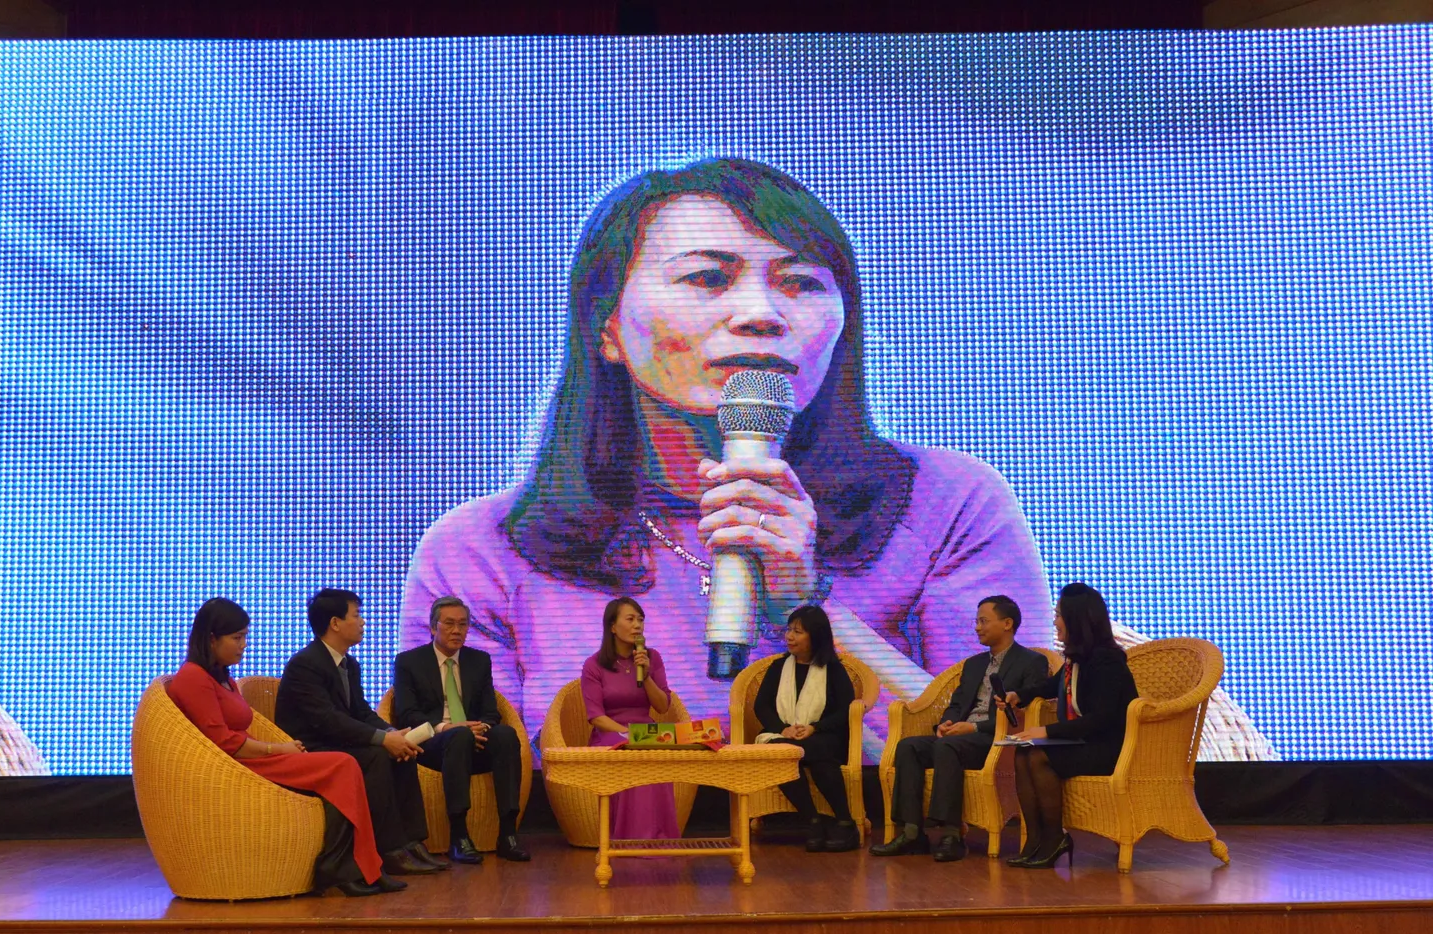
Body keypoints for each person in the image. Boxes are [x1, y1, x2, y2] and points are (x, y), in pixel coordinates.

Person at [401, 158, 1055, 758]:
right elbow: (481, 767)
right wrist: (694, 742)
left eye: (800, 282)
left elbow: (1000, 747)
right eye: (707, 277)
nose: (761, 313)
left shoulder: (950, 503)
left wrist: (805, 606)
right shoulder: (477, 550)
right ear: (607, 328)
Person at [165, 597, 405, 897]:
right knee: (343, 764)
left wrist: (278, 746)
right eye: (236, 638)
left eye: (245, 637)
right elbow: (225, 743)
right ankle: (347, 867)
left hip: (250, 756)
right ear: (211, 639)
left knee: (345, 767)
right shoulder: (193, 677)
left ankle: (361, 866)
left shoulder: (223, 676)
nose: (243, 645)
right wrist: (277, 750)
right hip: (237, 765)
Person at [274, 588, 446, 876]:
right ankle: (388, 849)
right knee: (376, 756)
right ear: (335, 623)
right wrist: (382, 740)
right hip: (311, 747)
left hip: (339, 741)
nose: (363, 621)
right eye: (356, 615)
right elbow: (327, 721)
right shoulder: (306, 663)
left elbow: (362, 711)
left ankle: (412, 841)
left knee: (402, 752)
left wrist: (392, 733)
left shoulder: (349, 663)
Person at [870, 595, 1050, 862]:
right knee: (909, 746)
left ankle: (951, 835)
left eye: (983, 621)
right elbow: (957, 703)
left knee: (948, 746)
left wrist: (973, 728)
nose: (977, 627)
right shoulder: (974, 663)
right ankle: (911, 832)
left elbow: (1023, 713)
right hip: (960, 737)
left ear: (1007, 623)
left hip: (997, 739)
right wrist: (947, 722)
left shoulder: (1032, 662)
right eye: (976, 621)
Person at [1000, 582, 1138, 869]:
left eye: (1059, 615)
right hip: (1085, 743)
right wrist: (1020, 695)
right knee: (1024, 753)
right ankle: (1035, 839)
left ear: (1077, 619)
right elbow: (1053, 686)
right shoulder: (1077, 659)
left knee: (1037, 755)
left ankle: (1054, 838)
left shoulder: (1107, 661)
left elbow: (1101, 719)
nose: (1054, 621)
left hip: (1109, 748)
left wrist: (1046, 731)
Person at [392, 596, 529, 864]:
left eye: (463, 624)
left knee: (505, 735)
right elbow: (407, 714)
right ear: (433, 627)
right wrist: (449, 727)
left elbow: (491, 711)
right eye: (450, 624)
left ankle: (509, 833)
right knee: (458, 736)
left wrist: (480, 728)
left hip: (472, 739)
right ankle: (459, 835)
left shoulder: (479, 661)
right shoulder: (409, 661)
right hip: (431, 743)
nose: (457, 631)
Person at [753, 604, 861, 853]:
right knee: (780, 753)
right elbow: (762, 707)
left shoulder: (833, 669)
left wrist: (815, 728)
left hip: (824, 737)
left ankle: (845, 823)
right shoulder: (778, 668)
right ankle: (813, 820)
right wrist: (783, 729)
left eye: (798, 632)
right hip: (787, 736)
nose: (789, 636)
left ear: (817, 636)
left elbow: (844, 709)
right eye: (789, 630)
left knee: (818, 756)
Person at [579, 597, 678, 839]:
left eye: (641, 620)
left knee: (657, 754)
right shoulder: (594, 665)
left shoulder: (652, 658)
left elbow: (663, 706)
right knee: (629, 755)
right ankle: (627, 838)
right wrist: (627, 734)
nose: (638, 626)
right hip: (611, 733)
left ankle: (658, 838)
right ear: (612, 626)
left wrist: (645, 676)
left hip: (646, 731)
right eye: (630, 619)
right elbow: (596, 717)